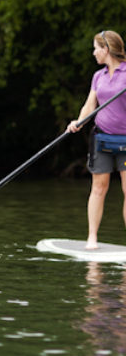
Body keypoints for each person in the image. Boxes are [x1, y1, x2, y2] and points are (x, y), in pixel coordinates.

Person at [67, 31, 126, 249]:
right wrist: (79, 122)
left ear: (106, 49)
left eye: (96, 48)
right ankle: (92, 237)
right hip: (101, 139)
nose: (93, 53)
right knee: (99, 188)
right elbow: (90, 105)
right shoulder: (98, 76)